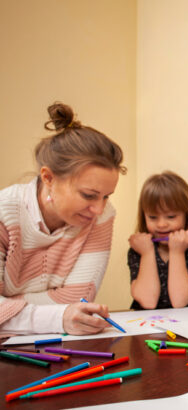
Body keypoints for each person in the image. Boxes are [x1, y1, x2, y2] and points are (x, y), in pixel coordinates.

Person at [0, 102, 126, 336]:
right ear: (48, 178)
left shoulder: (102, 216)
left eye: (106, 196)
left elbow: (77, 299)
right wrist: (58, 316)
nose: (99, 209)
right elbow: (67, 310)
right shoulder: (4, 213)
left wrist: (10, 306)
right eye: (88, 195)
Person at [128, 171, 188, 310]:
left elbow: (179, 301)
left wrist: (177, 252)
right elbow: (148, 302)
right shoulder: (139, 249)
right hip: (147, 321)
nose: (161, 224)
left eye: (171, 216)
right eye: (153, 217)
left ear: (187, 215)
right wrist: (147, 253)